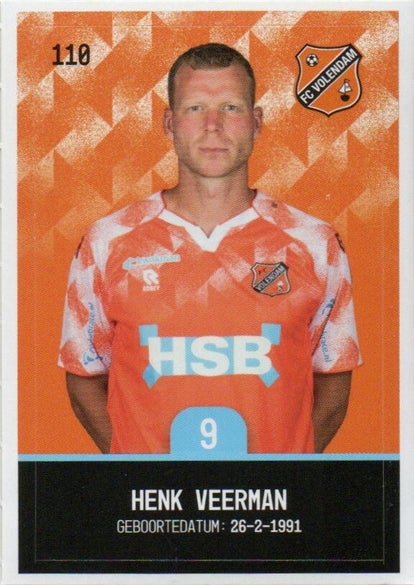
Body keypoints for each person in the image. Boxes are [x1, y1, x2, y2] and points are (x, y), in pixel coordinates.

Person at [58, 43, 362, 454]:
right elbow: (84, 374)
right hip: (153, 494)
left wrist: (286, 471)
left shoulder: (314, 242)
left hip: (271, 495)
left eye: (231, 108)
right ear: (170, 123)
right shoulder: (107, 240)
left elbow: (333, 382)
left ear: (256, 122)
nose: (213, 125)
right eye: (195, 108)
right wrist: (133, 468)